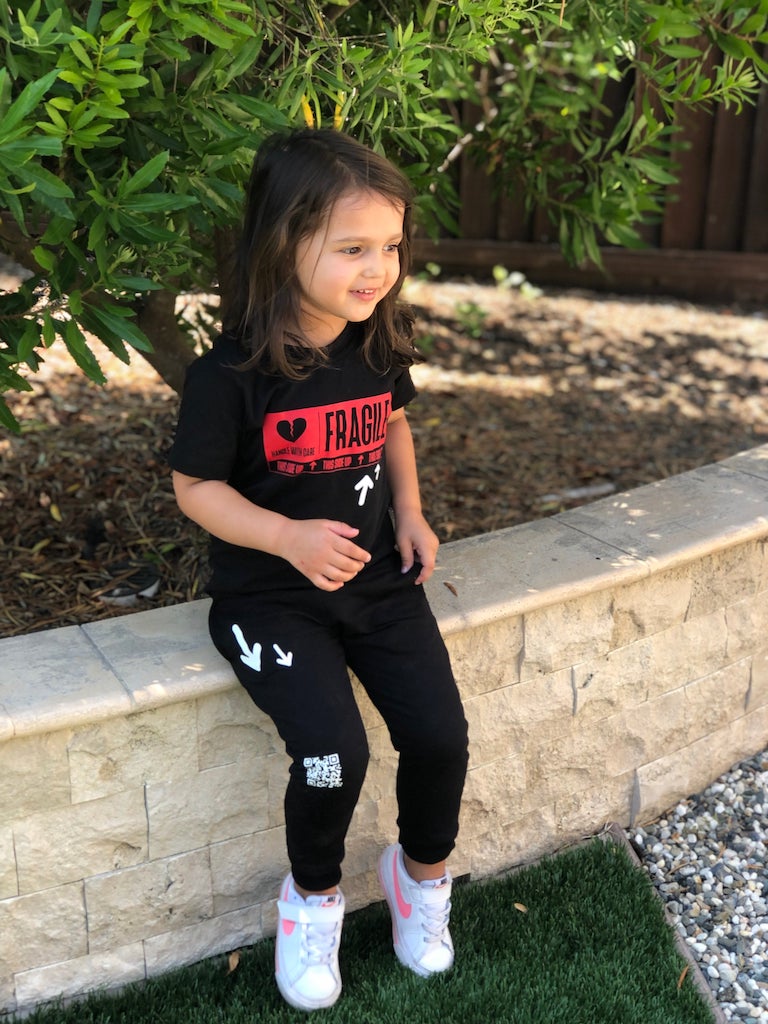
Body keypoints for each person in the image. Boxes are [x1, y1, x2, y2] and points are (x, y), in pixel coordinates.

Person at [168, 128, 469, 1013]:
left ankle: (422, 878)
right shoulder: (229, 374)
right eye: (352, 249)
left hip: (376, 585)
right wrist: (287, 538)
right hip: (270, 600)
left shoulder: (375, 340)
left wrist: (409, 512)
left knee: (441, 738)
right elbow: (195, 488)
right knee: (335, 755)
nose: (378, 269)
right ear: (284, 242)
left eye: (390, 246)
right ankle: (312, 900)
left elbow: (393, 423)